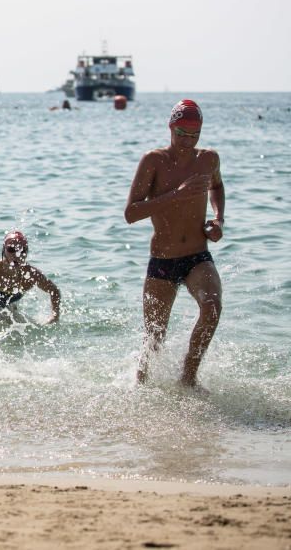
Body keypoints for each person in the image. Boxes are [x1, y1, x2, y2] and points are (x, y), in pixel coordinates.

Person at [125, 99, 225, 388]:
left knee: (212, 307)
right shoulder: (153, 161)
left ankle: (188, 379)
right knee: (154, 338)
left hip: (198, 255)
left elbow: (216, 186)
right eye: (181, 134)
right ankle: (138, 393)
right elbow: (131, 213)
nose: (187, 141)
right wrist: (176, 195)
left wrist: (218, 220)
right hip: (162, 261)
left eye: (194, 135)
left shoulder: (208, 159)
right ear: (171, 127)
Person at [0, 231, 60, 324]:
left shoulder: (31, 275)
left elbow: (54, 291)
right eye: (11, 249)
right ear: (4, 250)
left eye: (21, 250)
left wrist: (54, 316)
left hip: (8, 310)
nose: (17, 254)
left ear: (26, 252)